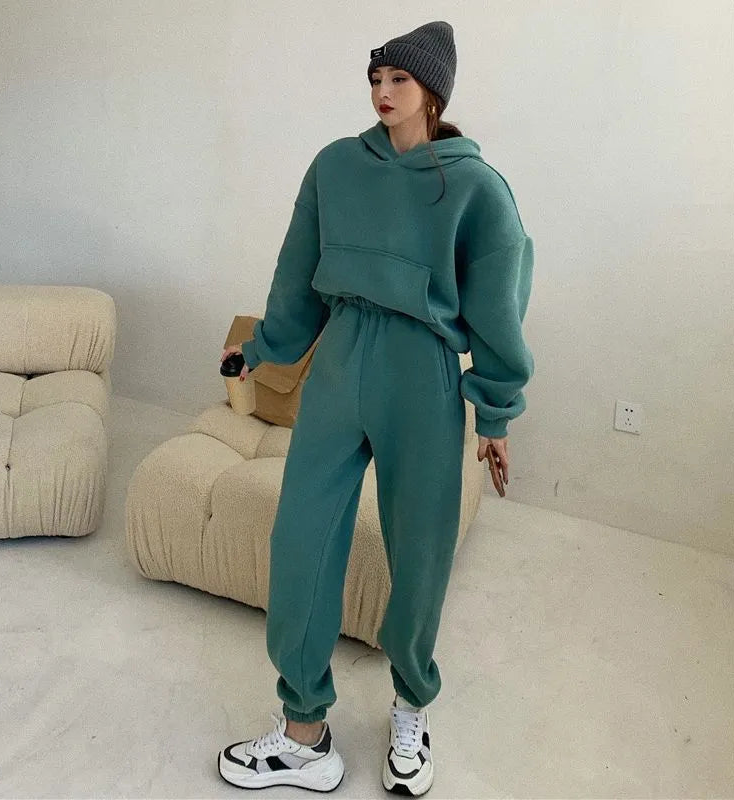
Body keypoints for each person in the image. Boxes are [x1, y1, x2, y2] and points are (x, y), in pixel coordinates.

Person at [216, 19, 535, 796]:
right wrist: (261, 348)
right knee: (300, 538)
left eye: (399, 79)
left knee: (419, 552)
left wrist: (495, 416)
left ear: (433, 92)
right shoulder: (335, 166)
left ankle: (411, 708)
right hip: (342, 355)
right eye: (376, 79)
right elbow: (298, 272)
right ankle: (304, 733)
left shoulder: (476, 188)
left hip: (423, 375)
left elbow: (499, 307)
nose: (383, 92)